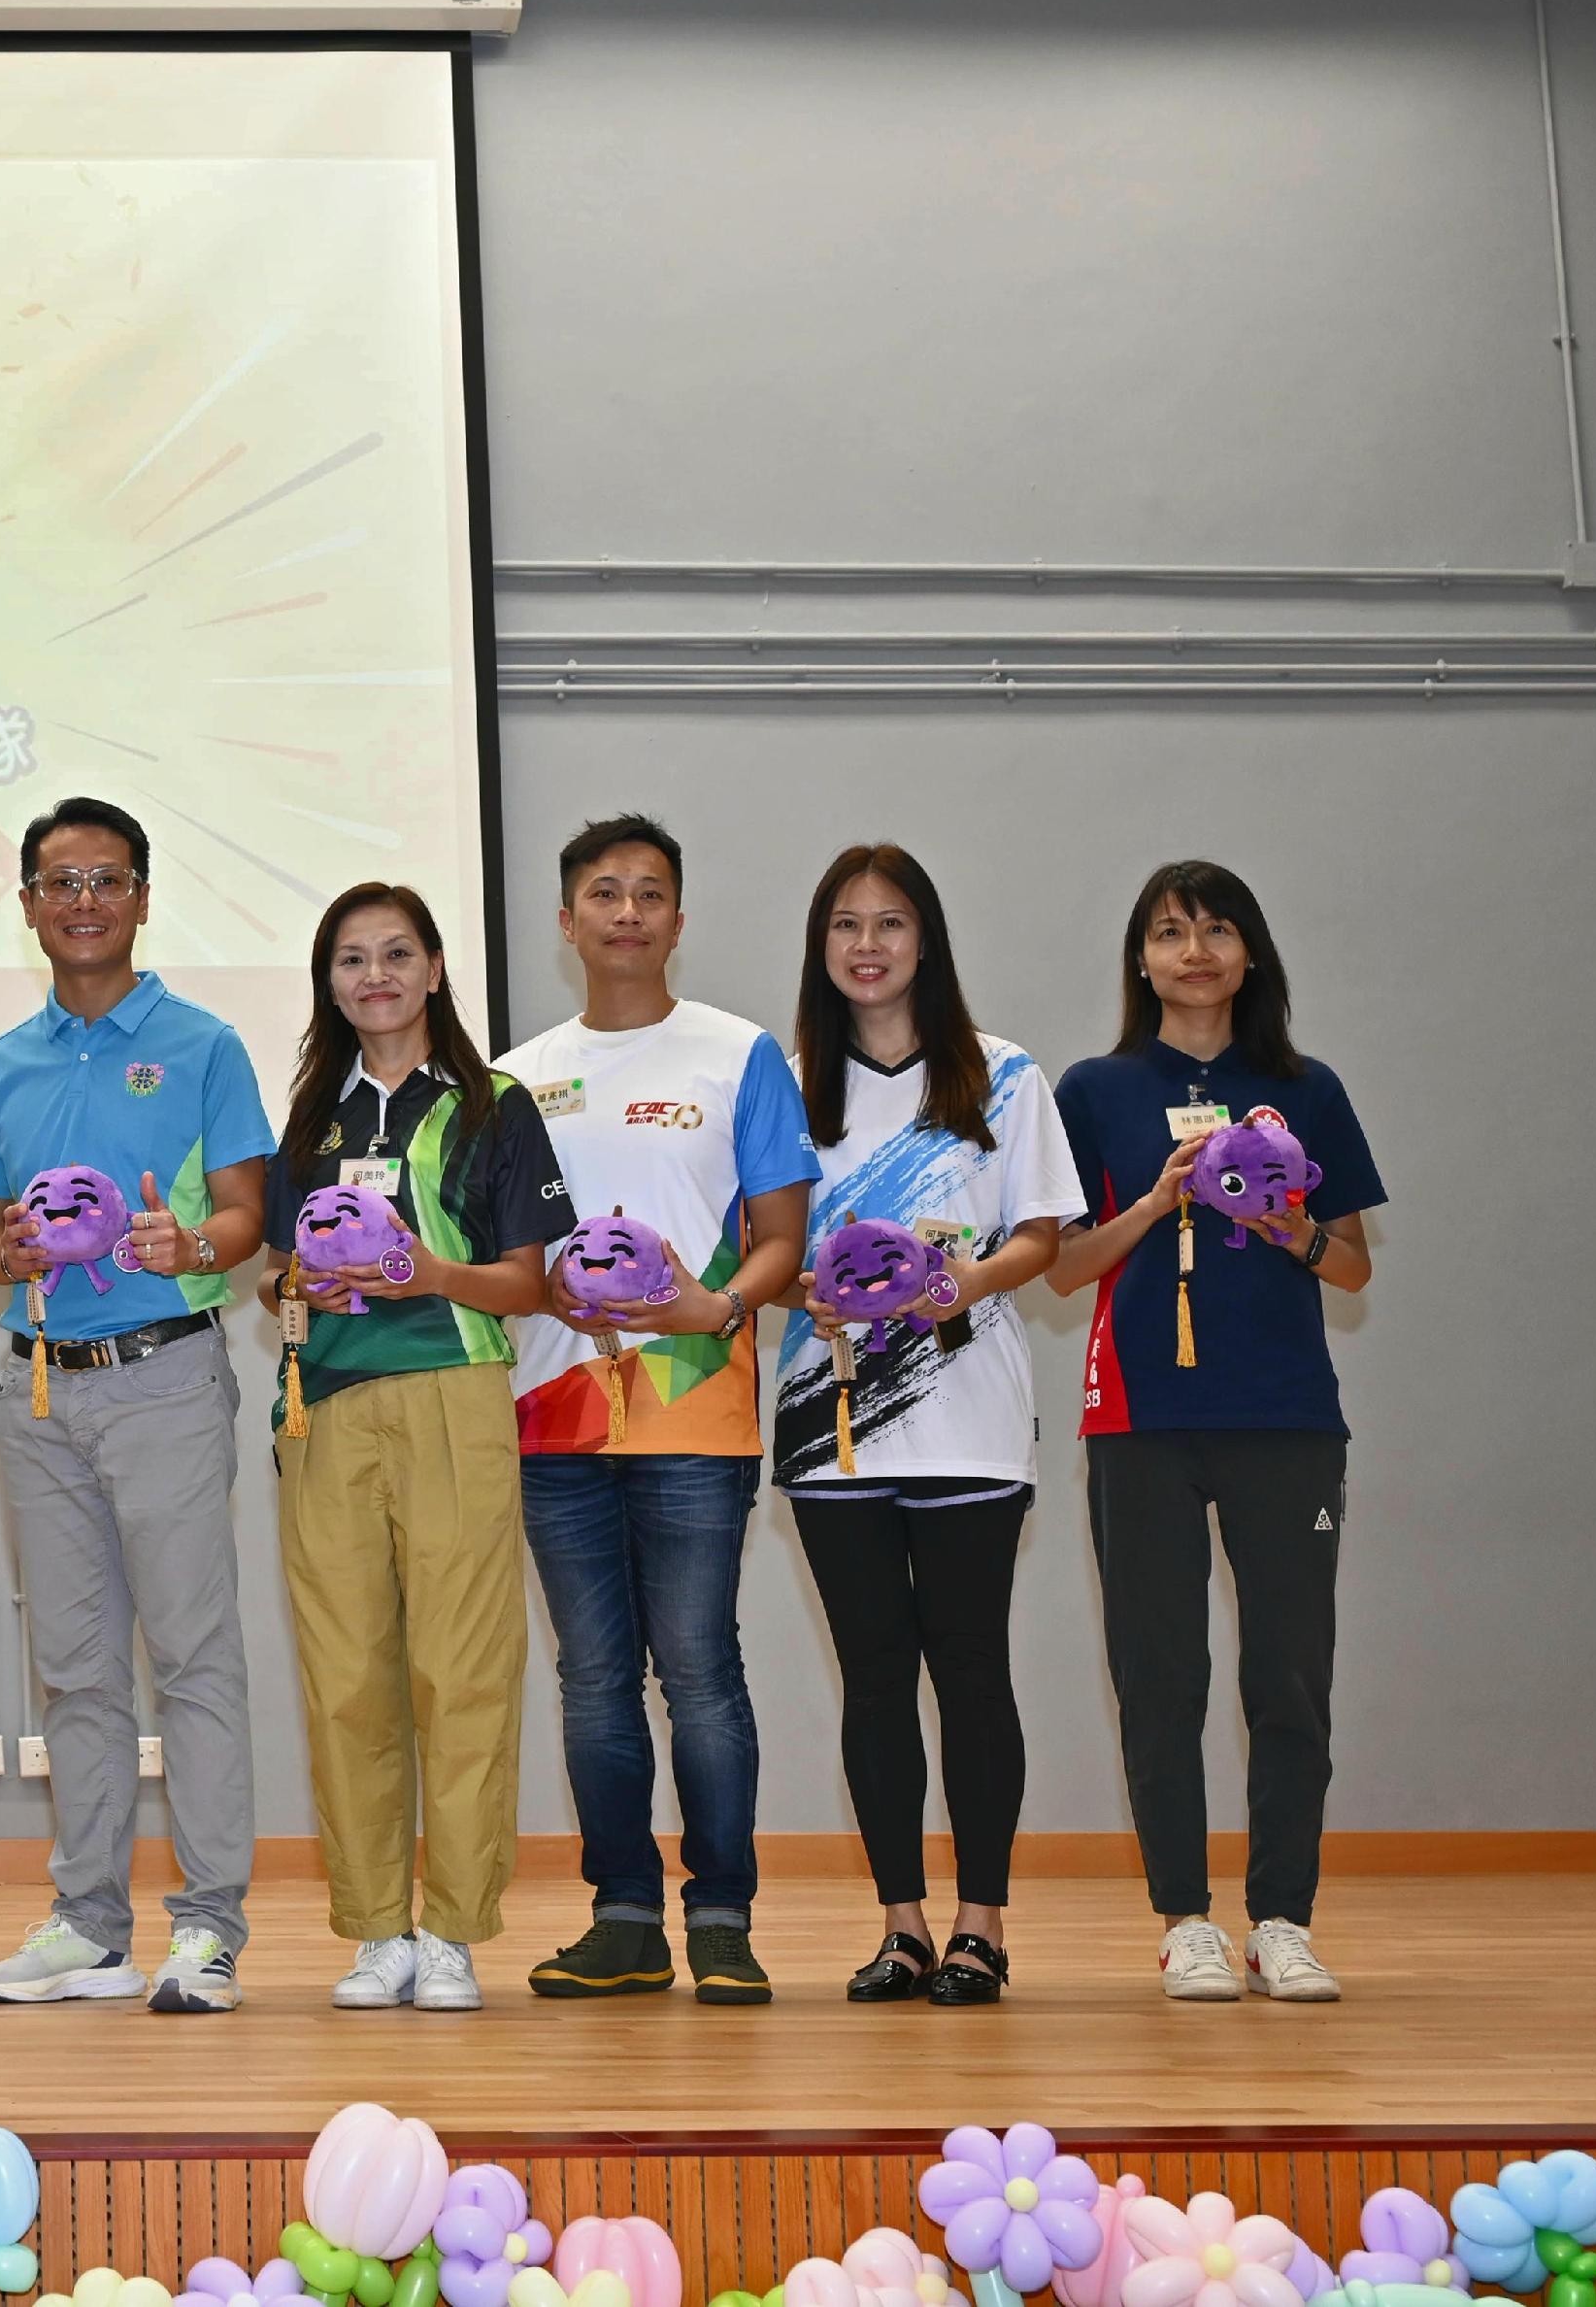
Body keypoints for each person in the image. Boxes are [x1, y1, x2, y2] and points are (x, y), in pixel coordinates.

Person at [0, 799, 275, 2015]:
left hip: (165, 1376)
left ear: (141, 897)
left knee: (191, 1656)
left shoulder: (202, 1045)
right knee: (75, 1671)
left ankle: (207, 1928)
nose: (82, 900)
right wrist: (8, 1257)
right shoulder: (2, 1064)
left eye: (105, 879)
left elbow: (243, 1217)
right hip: (37, 1388)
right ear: (27, 903)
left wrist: (185, 1237)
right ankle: (89, 1926)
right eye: (58, 881)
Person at [1047, 861, 1381, 2005]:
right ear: (1139, 959)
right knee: (1159, 1672)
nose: (1194, 949)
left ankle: (1282, 1918)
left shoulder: (1306, 1085)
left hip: (1287, 1419)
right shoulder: (1095, 1090)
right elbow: (1059, 1267)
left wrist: (1283, 1228)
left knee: (1290, 1673)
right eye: (1169, 931)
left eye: (1217, 928)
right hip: (1139, 1417)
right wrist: (1152, 1203)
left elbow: (1352, 1264)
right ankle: (1185, 1920)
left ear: (1249, 953)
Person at [498, 815, 815, 2006]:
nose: (624, 912)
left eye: (647, 894)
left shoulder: (737, 1057)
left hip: (694, 1408)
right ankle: (622, 1915)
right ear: (566, 920)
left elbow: (783, 1239)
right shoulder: (516, 1076)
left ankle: (723, 1916)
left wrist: (714, 1304)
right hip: (554, 1408)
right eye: (601, 892)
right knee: (590, 1677)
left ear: (678, 920)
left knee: (698, 1670)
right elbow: (504, 1250)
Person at [257, 881, 573, 2018]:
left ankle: (452, 1932)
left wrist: (427, 1274)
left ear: (436, 968)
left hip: (452, 1394)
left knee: (463, 1672)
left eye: (396, 954)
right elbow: (276, 1269)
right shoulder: (308, 1117)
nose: (374, 976)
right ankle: (376, 1929)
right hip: (325, 1406)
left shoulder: (492, 1106)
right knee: (345, 1679)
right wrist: (292, 1280)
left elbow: (530, 1282)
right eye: (350, 959)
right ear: (328, 982)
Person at [770, 845, 1075, 2008]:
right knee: (874, 1677)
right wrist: (796, 1284)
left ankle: (981, 1923)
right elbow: (768, 1248)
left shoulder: (1001, 1076)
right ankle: (900, 1923)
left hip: (969, 1418)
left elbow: (1043, 1239)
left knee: (971, 1668)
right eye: (844, 925)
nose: (866, 945)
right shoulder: (791, 1086)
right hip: (830, 1421)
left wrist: (965, 1283)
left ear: (926, 941)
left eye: (889, 924)